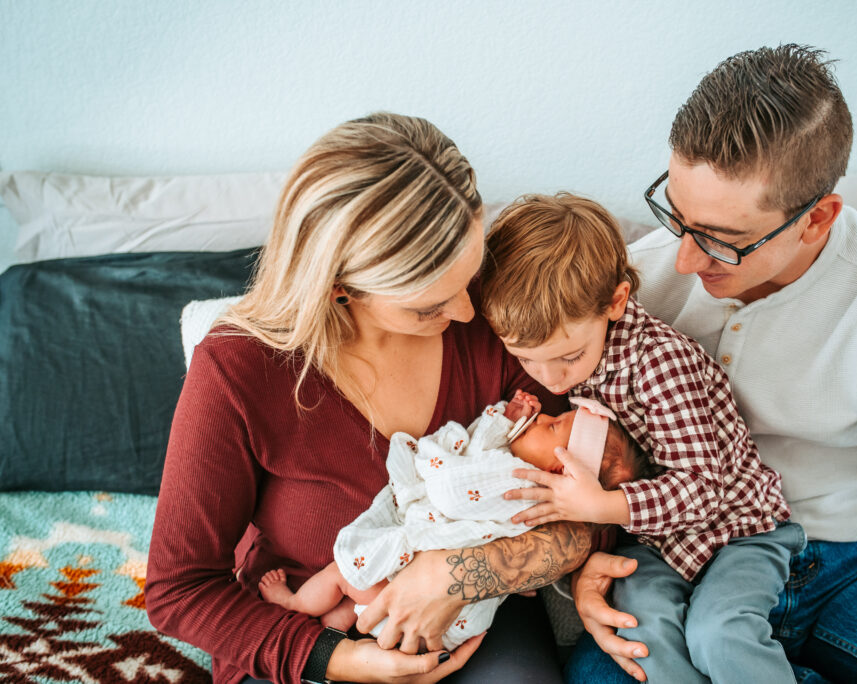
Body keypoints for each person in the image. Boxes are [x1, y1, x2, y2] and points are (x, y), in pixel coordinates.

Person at [567, 44, 857, 684]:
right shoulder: (633, 283)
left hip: (853, 554)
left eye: (724, 242)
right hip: (686, 550)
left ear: (818, 220)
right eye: (677, 215)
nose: (685, 263)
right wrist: (587, 559)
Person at [145, 112, 596, 684]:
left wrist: (460, 575)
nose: (466, 313)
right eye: (427, 306)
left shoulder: (502, 314)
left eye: (468, 276)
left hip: (475, 618)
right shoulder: (238, 369)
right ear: (337, 287)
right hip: (306, 632)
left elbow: (588, 516)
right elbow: (178, 589)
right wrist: (338, 659)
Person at [480, 192, 804, 683]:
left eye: (567, 358)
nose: (550, 380)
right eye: (527, 359)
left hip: (738, 531)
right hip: (660, 546)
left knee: (719, 633)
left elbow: (704, 490)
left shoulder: (658, 364)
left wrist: (601, 507)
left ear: (616, 302)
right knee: (639, 634)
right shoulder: (562, 353)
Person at [258, 391, 654, 650]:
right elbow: (484, 450)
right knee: (355, 607)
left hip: (422, 596)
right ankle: (332, 637)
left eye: (551, 425)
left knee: (343, 574)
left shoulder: (516, 477)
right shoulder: (535, 485)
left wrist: (496, 425)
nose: (541, 417)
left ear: (557, 468)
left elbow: (452, 483)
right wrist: (505, 422)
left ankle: (295, 604)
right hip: (451, 626)